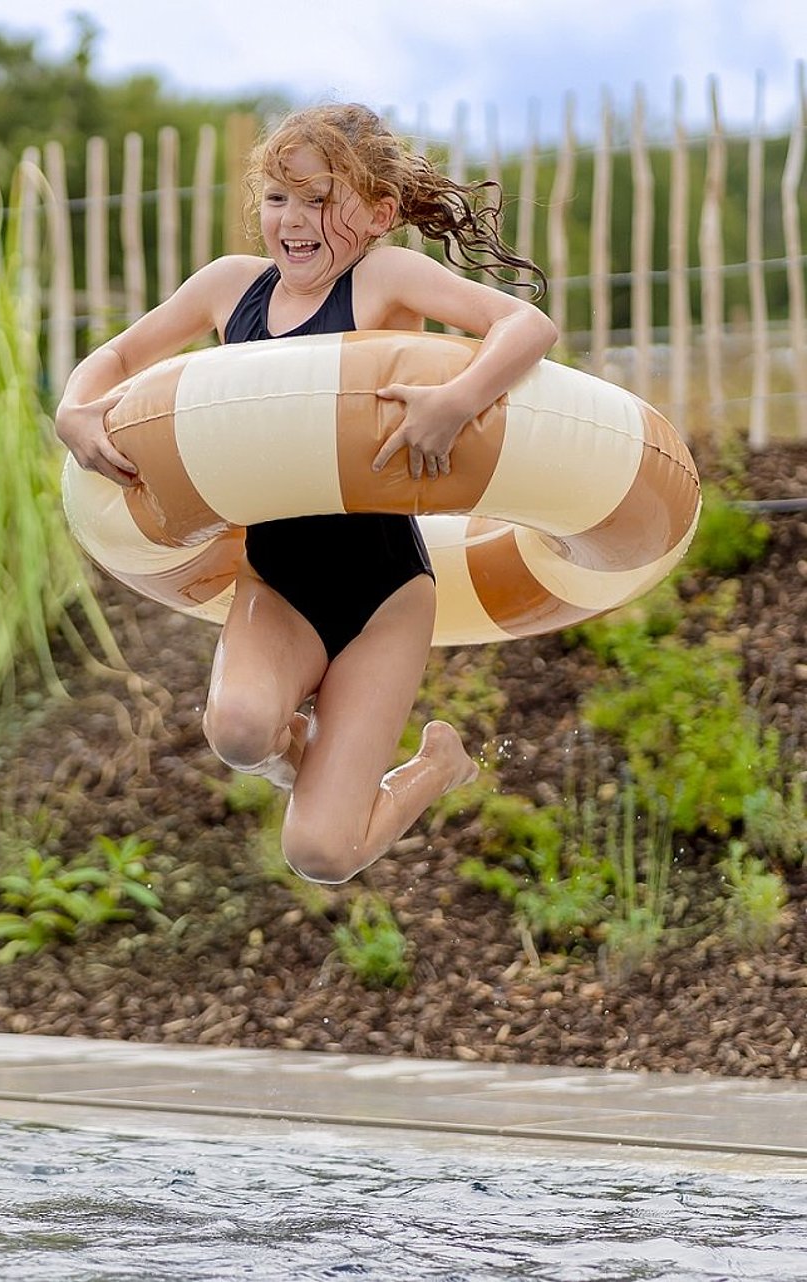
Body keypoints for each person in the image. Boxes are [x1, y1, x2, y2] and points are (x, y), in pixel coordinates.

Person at [56, 103, 558, 885]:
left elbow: (524, 324)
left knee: (321, 853)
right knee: (240, 730)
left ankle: (439, 765)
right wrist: (73, 411)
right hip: (279, 581)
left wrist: (454, 400)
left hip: (384, 593)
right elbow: (117, 355)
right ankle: (313, 757)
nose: (293, 220)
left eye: (320, 200)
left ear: (380, 213)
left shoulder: (383, 280)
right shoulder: (230, 290)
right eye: (278, 197)